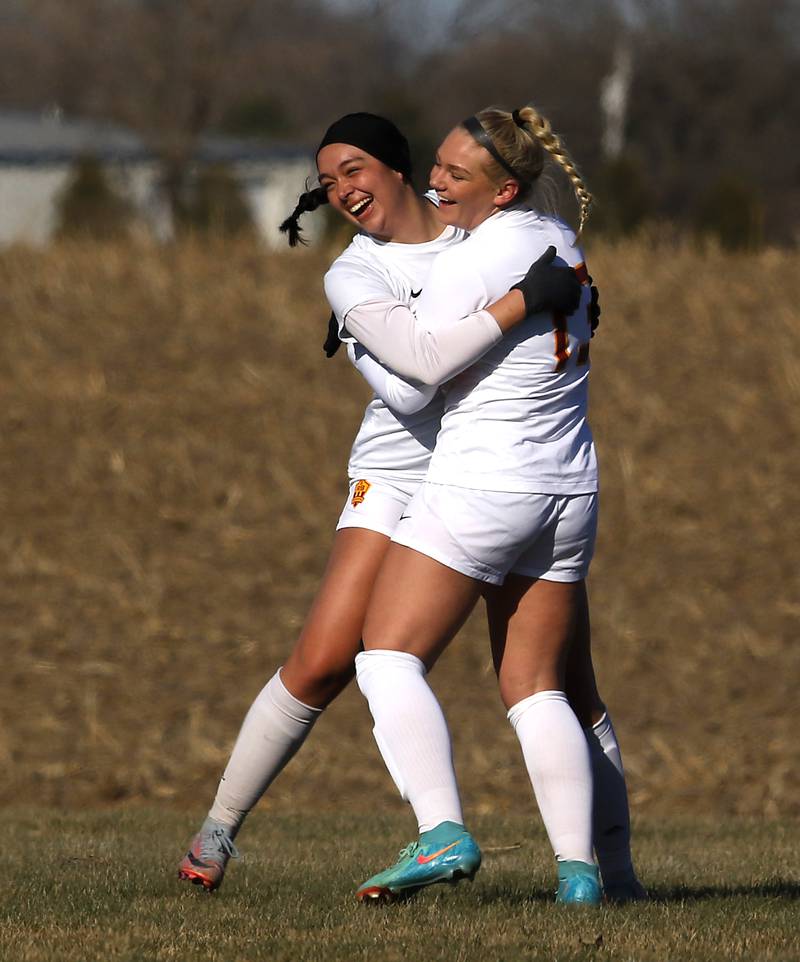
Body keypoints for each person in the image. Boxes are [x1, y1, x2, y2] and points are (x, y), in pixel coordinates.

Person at [176, 112, 585, 893]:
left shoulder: (480, 230)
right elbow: (410, 382)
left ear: (402, 168)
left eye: (354, 170)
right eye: (327, 183)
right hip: (400, 474)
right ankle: (218, 829)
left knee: (562, 682)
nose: (342, 191)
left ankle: (608, 870)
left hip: (503, 473)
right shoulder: (355, 276)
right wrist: (518, 303)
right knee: (327, 659)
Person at [341, 105, 644, 906]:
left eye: (457, 174)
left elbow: (418, 371)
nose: (436, 180)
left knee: (385, 655)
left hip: (487, 483)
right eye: (437, 164)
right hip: (570, 488)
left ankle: (441, 831)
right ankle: (583, 876)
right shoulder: (562, 243)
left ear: (503, 189)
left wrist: (357, 341)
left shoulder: (479, 260)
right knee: (539, 687)